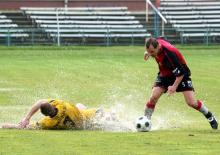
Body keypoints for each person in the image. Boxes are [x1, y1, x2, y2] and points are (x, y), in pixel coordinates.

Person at [143, 37, 218, 129]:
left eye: (152, 52)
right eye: (148, 51)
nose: (151, 54)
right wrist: (148, 53)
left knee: (191, 102)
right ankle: (146, 121)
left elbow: (180, 73)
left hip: (182, 75)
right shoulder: (157, 42)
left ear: (158, 47)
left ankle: (209, 116)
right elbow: (161, 38)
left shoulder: (169, 55)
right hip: (165, 73)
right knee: (154, 96)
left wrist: (174, 86)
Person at [2, 99, 101, 130]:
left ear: (45, 115)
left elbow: (23, 127)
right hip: (90, 116)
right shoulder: (61, 104)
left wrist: (25, 120)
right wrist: (27, 117)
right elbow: (41, 102)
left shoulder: (48, 123)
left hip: (83, 126)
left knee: (79, 107)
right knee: (79, 107)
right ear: (53, 106)